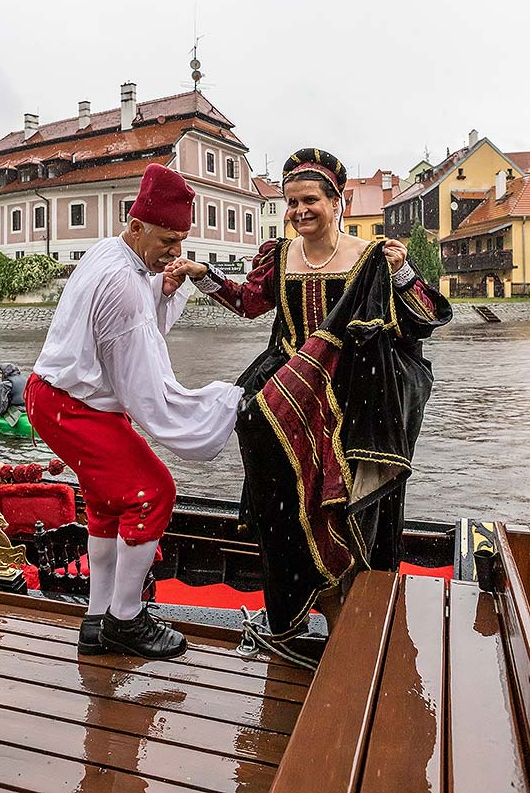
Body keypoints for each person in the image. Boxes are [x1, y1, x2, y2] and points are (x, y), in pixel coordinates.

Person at [171, 147, 452, 642]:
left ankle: (359, 617)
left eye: (309, 201)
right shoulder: (278, 256)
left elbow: (424, 320)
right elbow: (250, 303)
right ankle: (318, 613)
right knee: (290, 512)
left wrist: (404, 272)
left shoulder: (373, 257)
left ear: (336, 200)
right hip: (288, 399)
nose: (299, 212)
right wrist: (204, 277)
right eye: (291, 202)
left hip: (353, 401)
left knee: (347, 510)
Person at [25, 164, 243, 660]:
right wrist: (222, 403)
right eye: (168, 239)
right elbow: (146, 392)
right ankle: (126, 619)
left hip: (55, 396)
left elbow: (132, 323)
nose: (176, 252)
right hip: (73, 406)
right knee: (152, 492)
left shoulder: (109, 250)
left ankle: (96, 620)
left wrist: (162, 288)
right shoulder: (124, 285)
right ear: (137, 225)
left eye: (182, 240)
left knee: (107, 504)